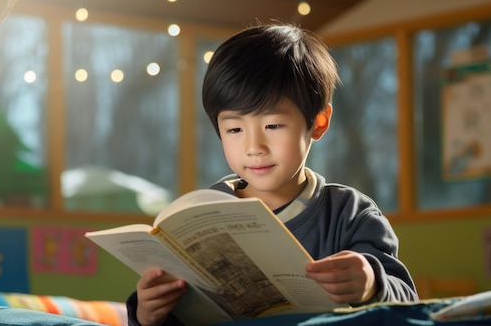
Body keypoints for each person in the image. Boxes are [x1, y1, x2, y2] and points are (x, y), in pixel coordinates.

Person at [126, 23, 418, 326]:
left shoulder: (350, 214)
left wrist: (372, 283)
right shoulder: (200, 213)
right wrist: (148, 314)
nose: (254, 147)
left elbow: (409, 305)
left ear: (318, 122)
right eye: (235, 129)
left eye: (273, 126)